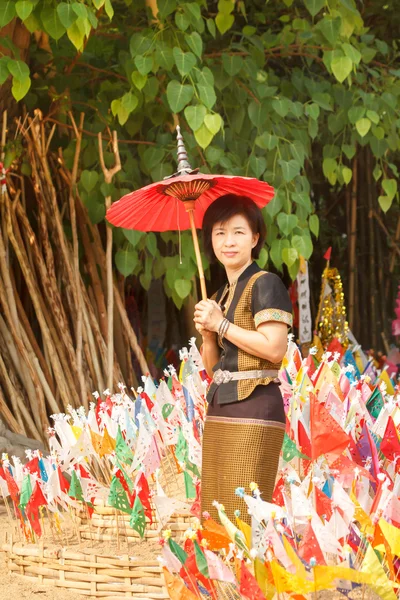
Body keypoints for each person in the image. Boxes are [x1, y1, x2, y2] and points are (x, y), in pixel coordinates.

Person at [193, 194, 293, 523]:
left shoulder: (265, 283)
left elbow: (274, 348)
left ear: (255, 238)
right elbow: (215, 369)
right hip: (222, 404)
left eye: (238, 232)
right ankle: (222, 576)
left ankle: (248, 575)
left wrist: (221, 324)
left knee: (244, 513)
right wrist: (209, 335)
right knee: (217, 512)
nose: (228, 241)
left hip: (255, 404)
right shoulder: (222, 293)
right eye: (219, 232)